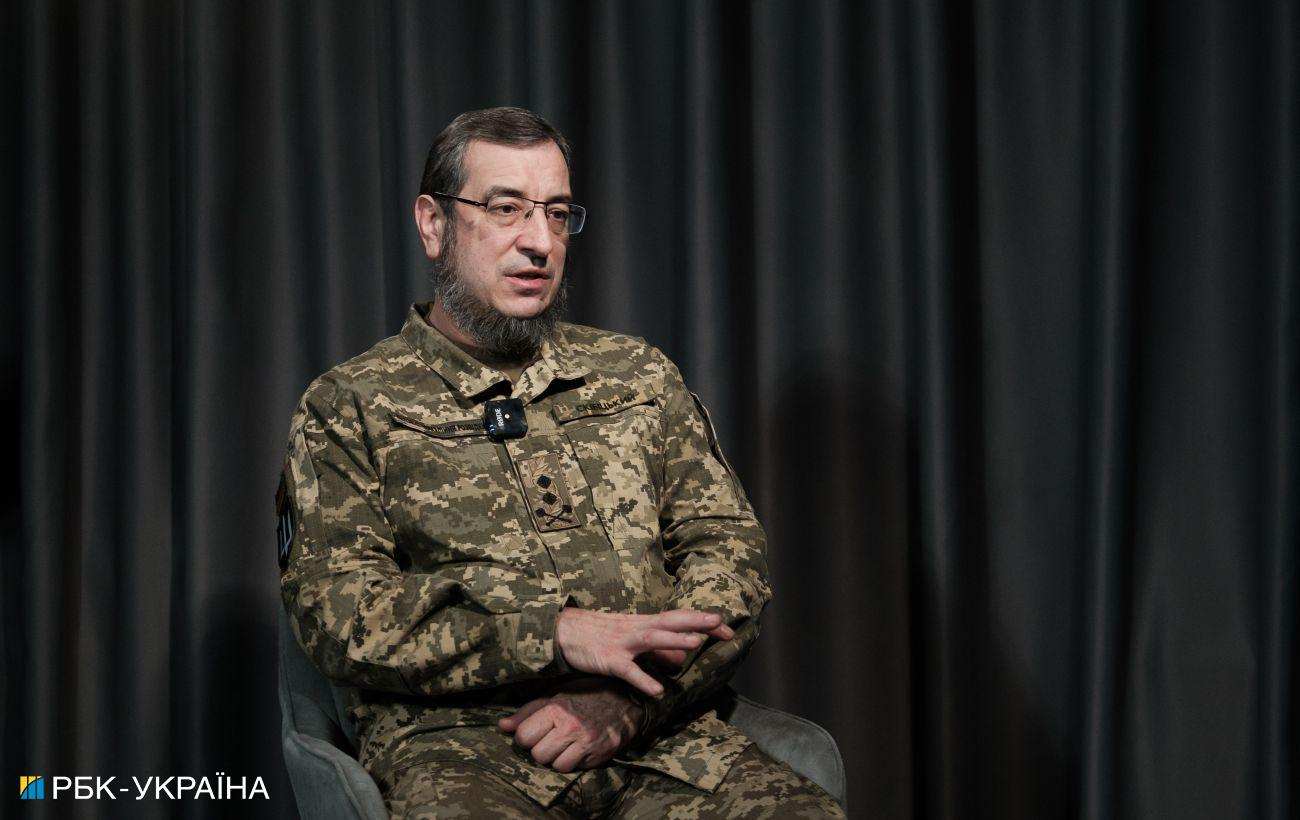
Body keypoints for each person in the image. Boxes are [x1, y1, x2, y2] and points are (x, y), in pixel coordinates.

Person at [277, 106, 843, 818]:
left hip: (660, 739)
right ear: (434, 224)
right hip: (462, 755)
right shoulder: (349, 406)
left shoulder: (636, 376)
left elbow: (730, 556)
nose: (539, 242)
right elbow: (338, 614)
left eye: (556, 213)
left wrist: (626, 703)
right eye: (506, 208)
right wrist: (554, 633)